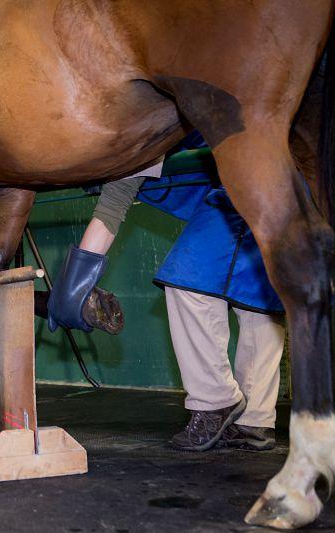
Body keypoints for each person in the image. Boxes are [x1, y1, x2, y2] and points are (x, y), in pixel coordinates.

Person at [48, 133, 285, 451]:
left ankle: (216, 401)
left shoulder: (140, 124)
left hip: (262, 169)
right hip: (251, 176)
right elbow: (113, 203)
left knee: (188, 278)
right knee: (258, 296)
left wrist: (71, 287)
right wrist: (74, 284)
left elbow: (112, 205)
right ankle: (254, 420)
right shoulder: (131, 137)